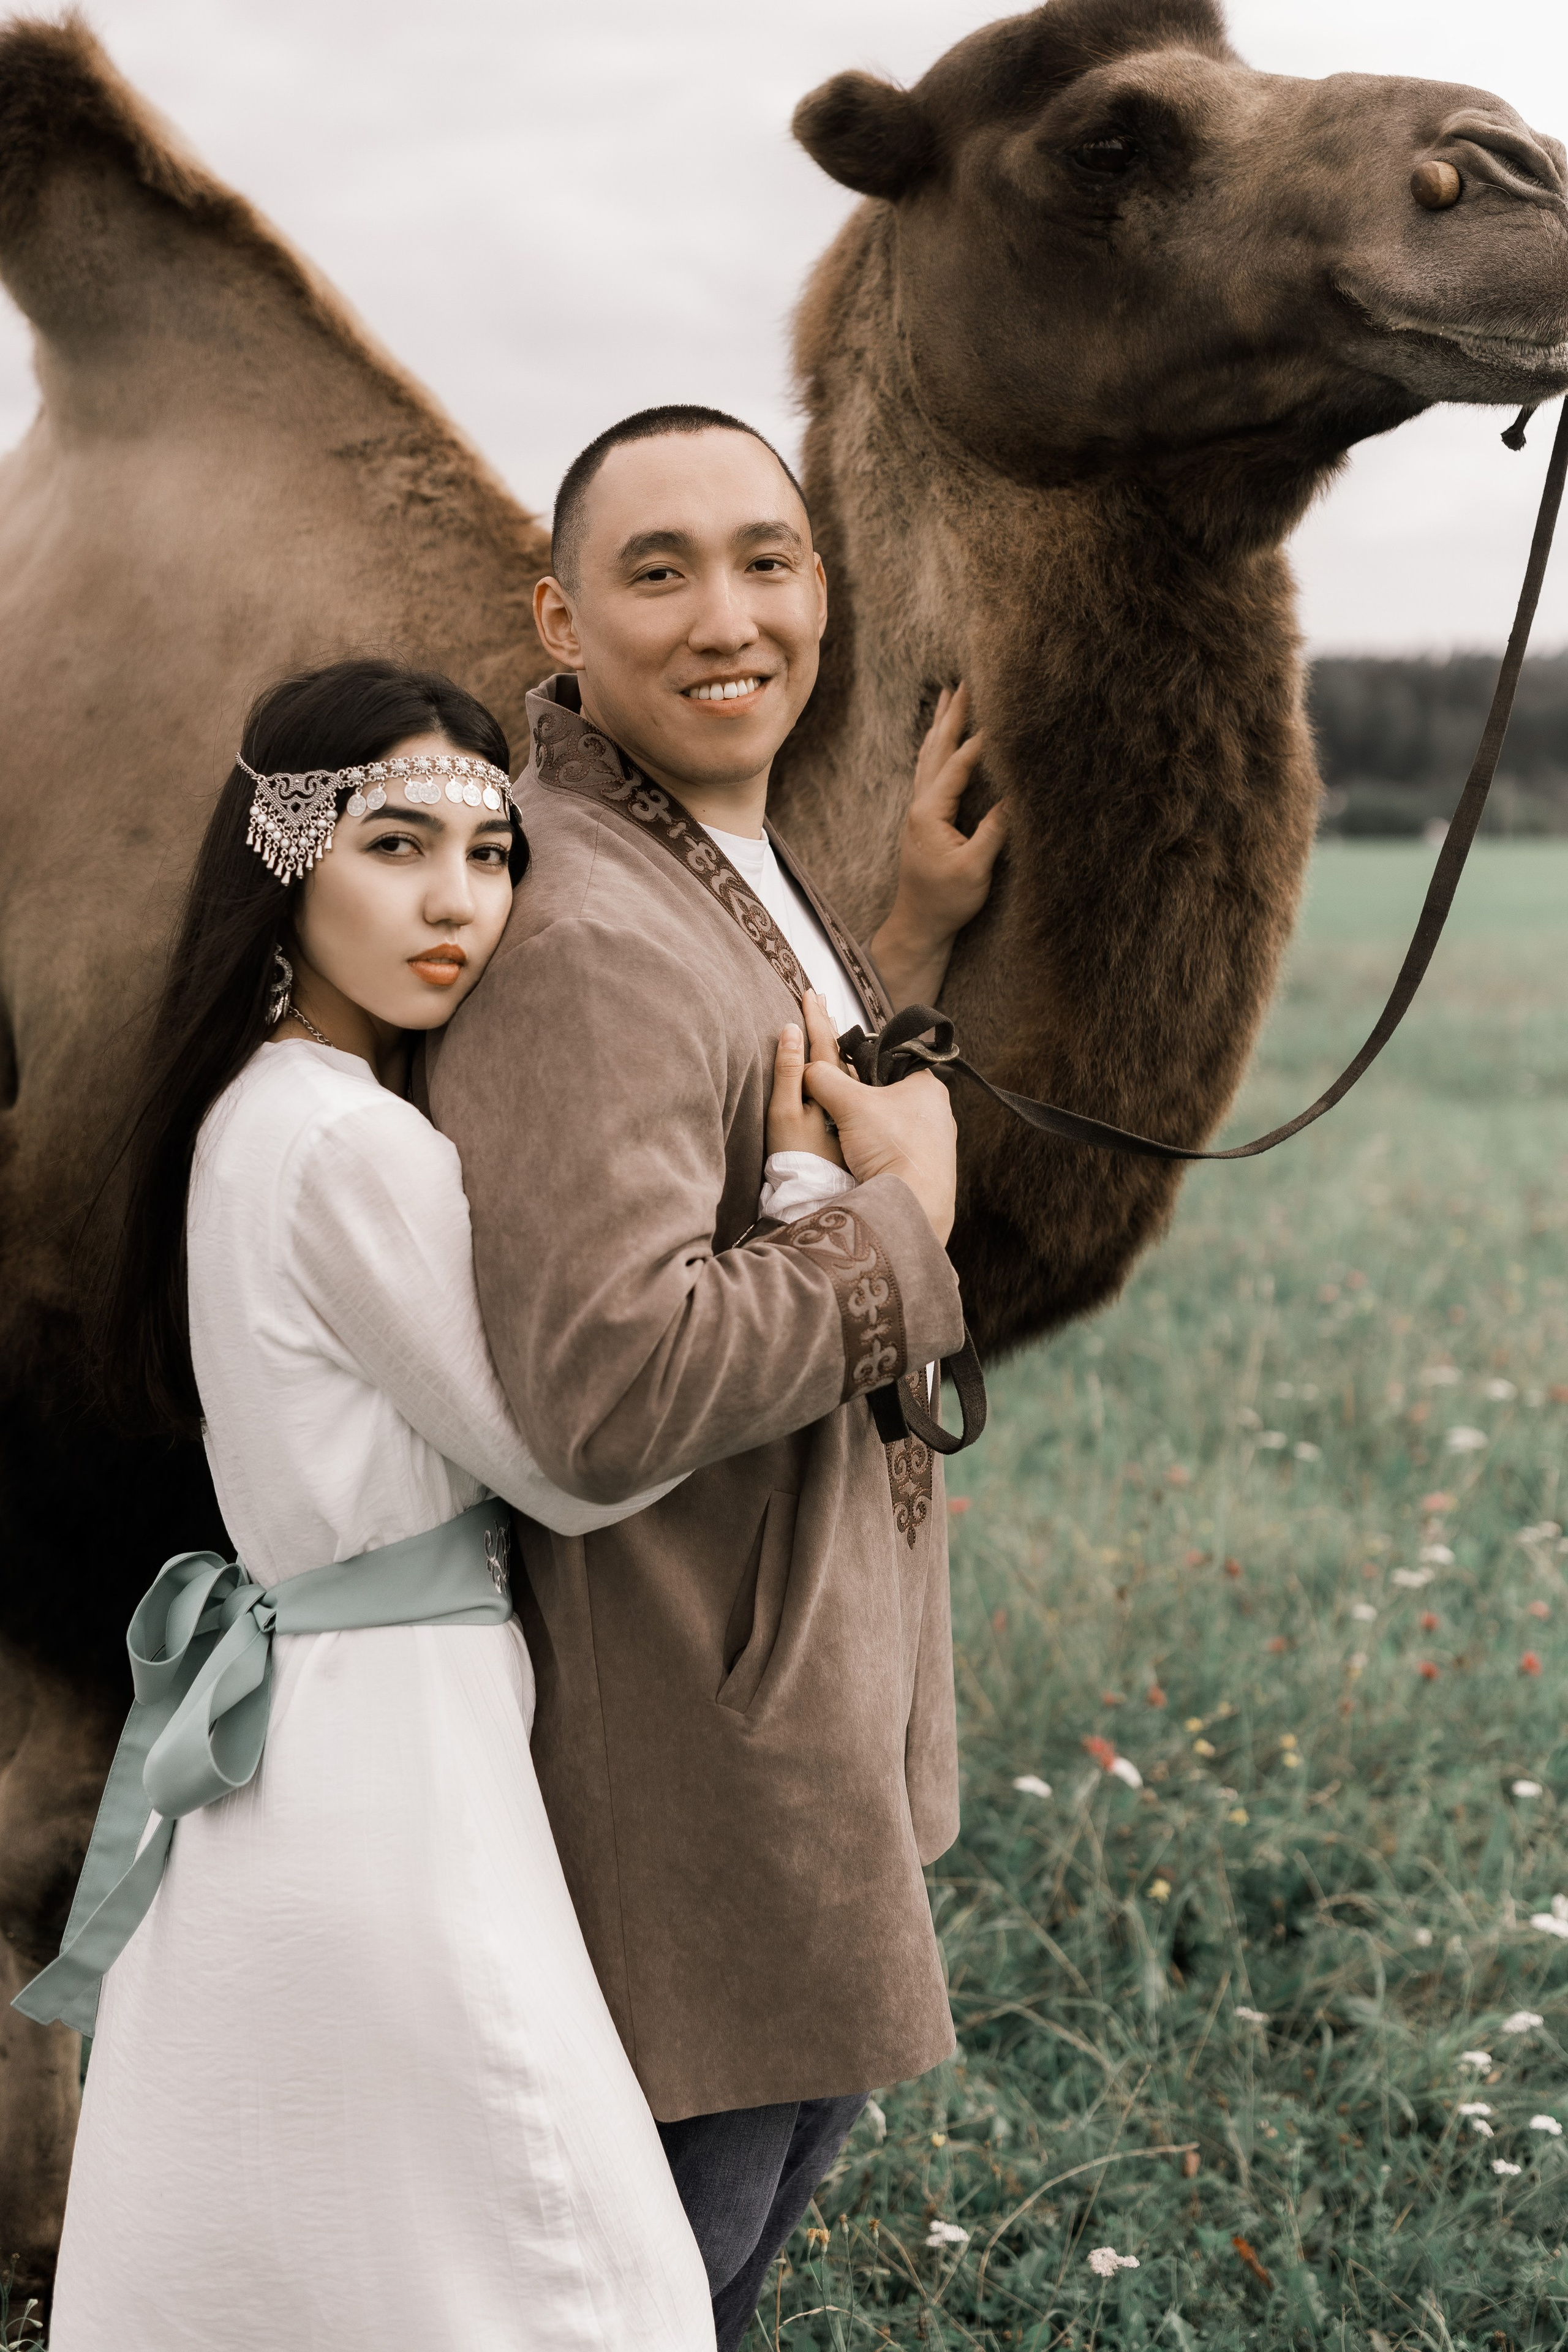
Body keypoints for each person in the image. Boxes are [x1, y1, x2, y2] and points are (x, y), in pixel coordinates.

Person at [19, 656, 949, 2351]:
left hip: (306, 1727)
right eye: (396, 846)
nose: (461, 903)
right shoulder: (348, 1147)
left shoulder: (264, 1111)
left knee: (335, 2239)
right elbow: (570, 1460)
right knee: (566, 2267)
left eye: (494, 850)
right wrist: (832, 1199)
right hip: (394, 1749)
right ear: (286, 864)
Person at [428, 404, 1008, 2350]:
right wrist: (906, 1230)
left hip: (796, 1699)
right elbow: (605, 1382)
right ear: (561, 617)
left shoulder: (721, 862)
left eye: (767, 558)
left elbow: (778, 1119)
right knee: (656, 2290)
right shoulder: (585, 929)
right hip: (704, 1739)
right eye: (656, 570)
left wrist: (904, 933)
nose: (727, 616)